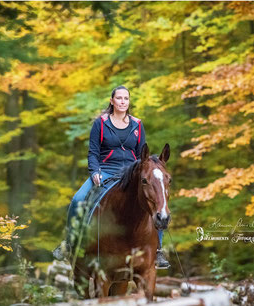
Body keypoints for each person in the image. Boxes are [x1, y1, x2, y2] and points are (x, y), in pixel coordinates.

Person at [53, 85, 170, 269]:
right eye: (119, 98)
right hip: (106, 171)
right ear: (112, 101)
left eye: (126, 99)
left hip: (131, 173)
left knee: (157, 199)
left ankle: (158, 251)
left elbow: (142, 155)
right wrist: (95, 172)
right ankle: (69, 243)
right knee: (78, 199)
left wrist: (144, 173)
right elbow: (93, 152)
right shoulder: (101, 123)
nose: (123, 102)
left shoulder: (137, 124)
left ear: (129, 102)